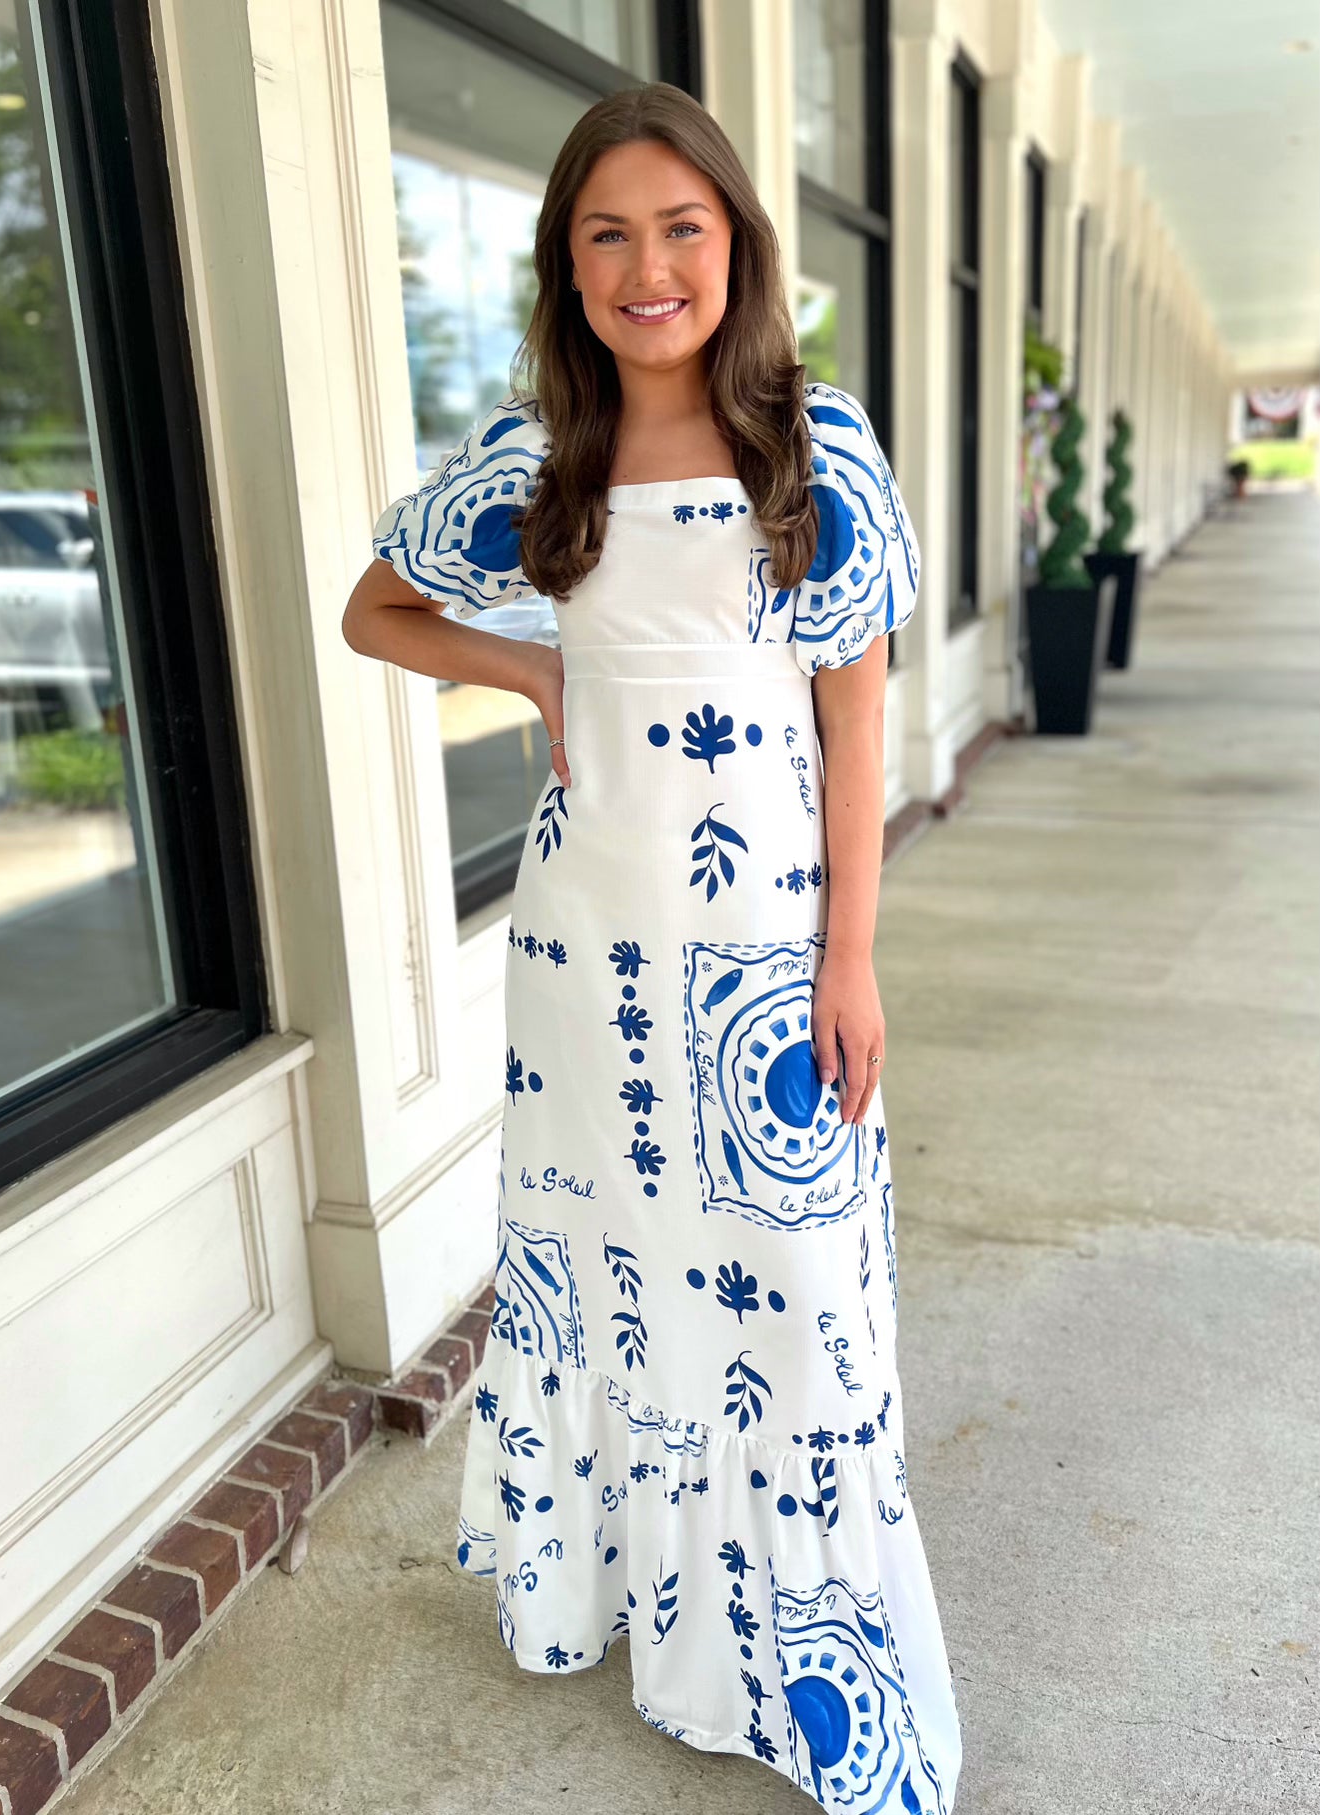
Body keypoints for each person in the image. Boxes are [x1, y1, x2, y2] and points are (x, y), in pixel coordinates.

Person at [343, 79, 962, 1815]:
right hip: (583, 961)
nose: (646, 265)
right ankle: (616, 1599)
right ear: (566, 262)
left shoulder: (809, 443)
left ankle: (808, 1659)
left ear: (735, 245)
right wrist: (537, 666)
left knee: (794, 1291)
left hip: (764, 958)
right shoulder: (541, 456)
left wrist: (850, 962)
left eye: (679, 226)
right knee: (611, 1262)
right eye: (604, 232)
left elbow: (856, 731)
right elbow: (373, 607)